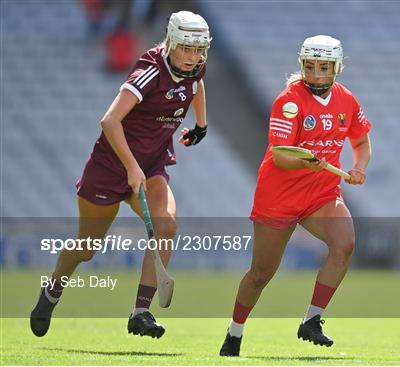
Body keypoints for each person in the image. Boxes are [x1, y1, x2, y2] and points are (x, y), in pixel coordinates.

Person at [30, 10, 211, 339]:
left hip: (153, 164)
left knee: (165, 224)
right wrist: (130, 167)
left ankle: (141, 312)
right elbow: (109, 120)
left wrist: (201, 123)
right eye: (186, 48)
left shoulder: (195, 66)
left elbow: (196, 84)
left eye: (199, 50)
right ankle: (53, 288)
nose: (193, 57)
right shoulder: (149, 71)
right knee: (87, 248)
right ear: (170, 42)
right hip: (111, 168)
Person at [219, 35, 372, 356]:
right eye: (311, 67)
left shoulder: (347, 100)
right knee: (261, 274)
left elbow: (361, 142)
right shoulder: (289, 101)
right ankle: (235, 332)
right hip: (279, 196)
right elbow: (279, 156)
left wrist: (360, 166)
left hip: (322, 194)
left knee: (344, 245)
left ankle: (312, 320)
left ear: (337, 68)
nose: (316, 74)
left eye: (324, 67)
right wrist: (307, 159)